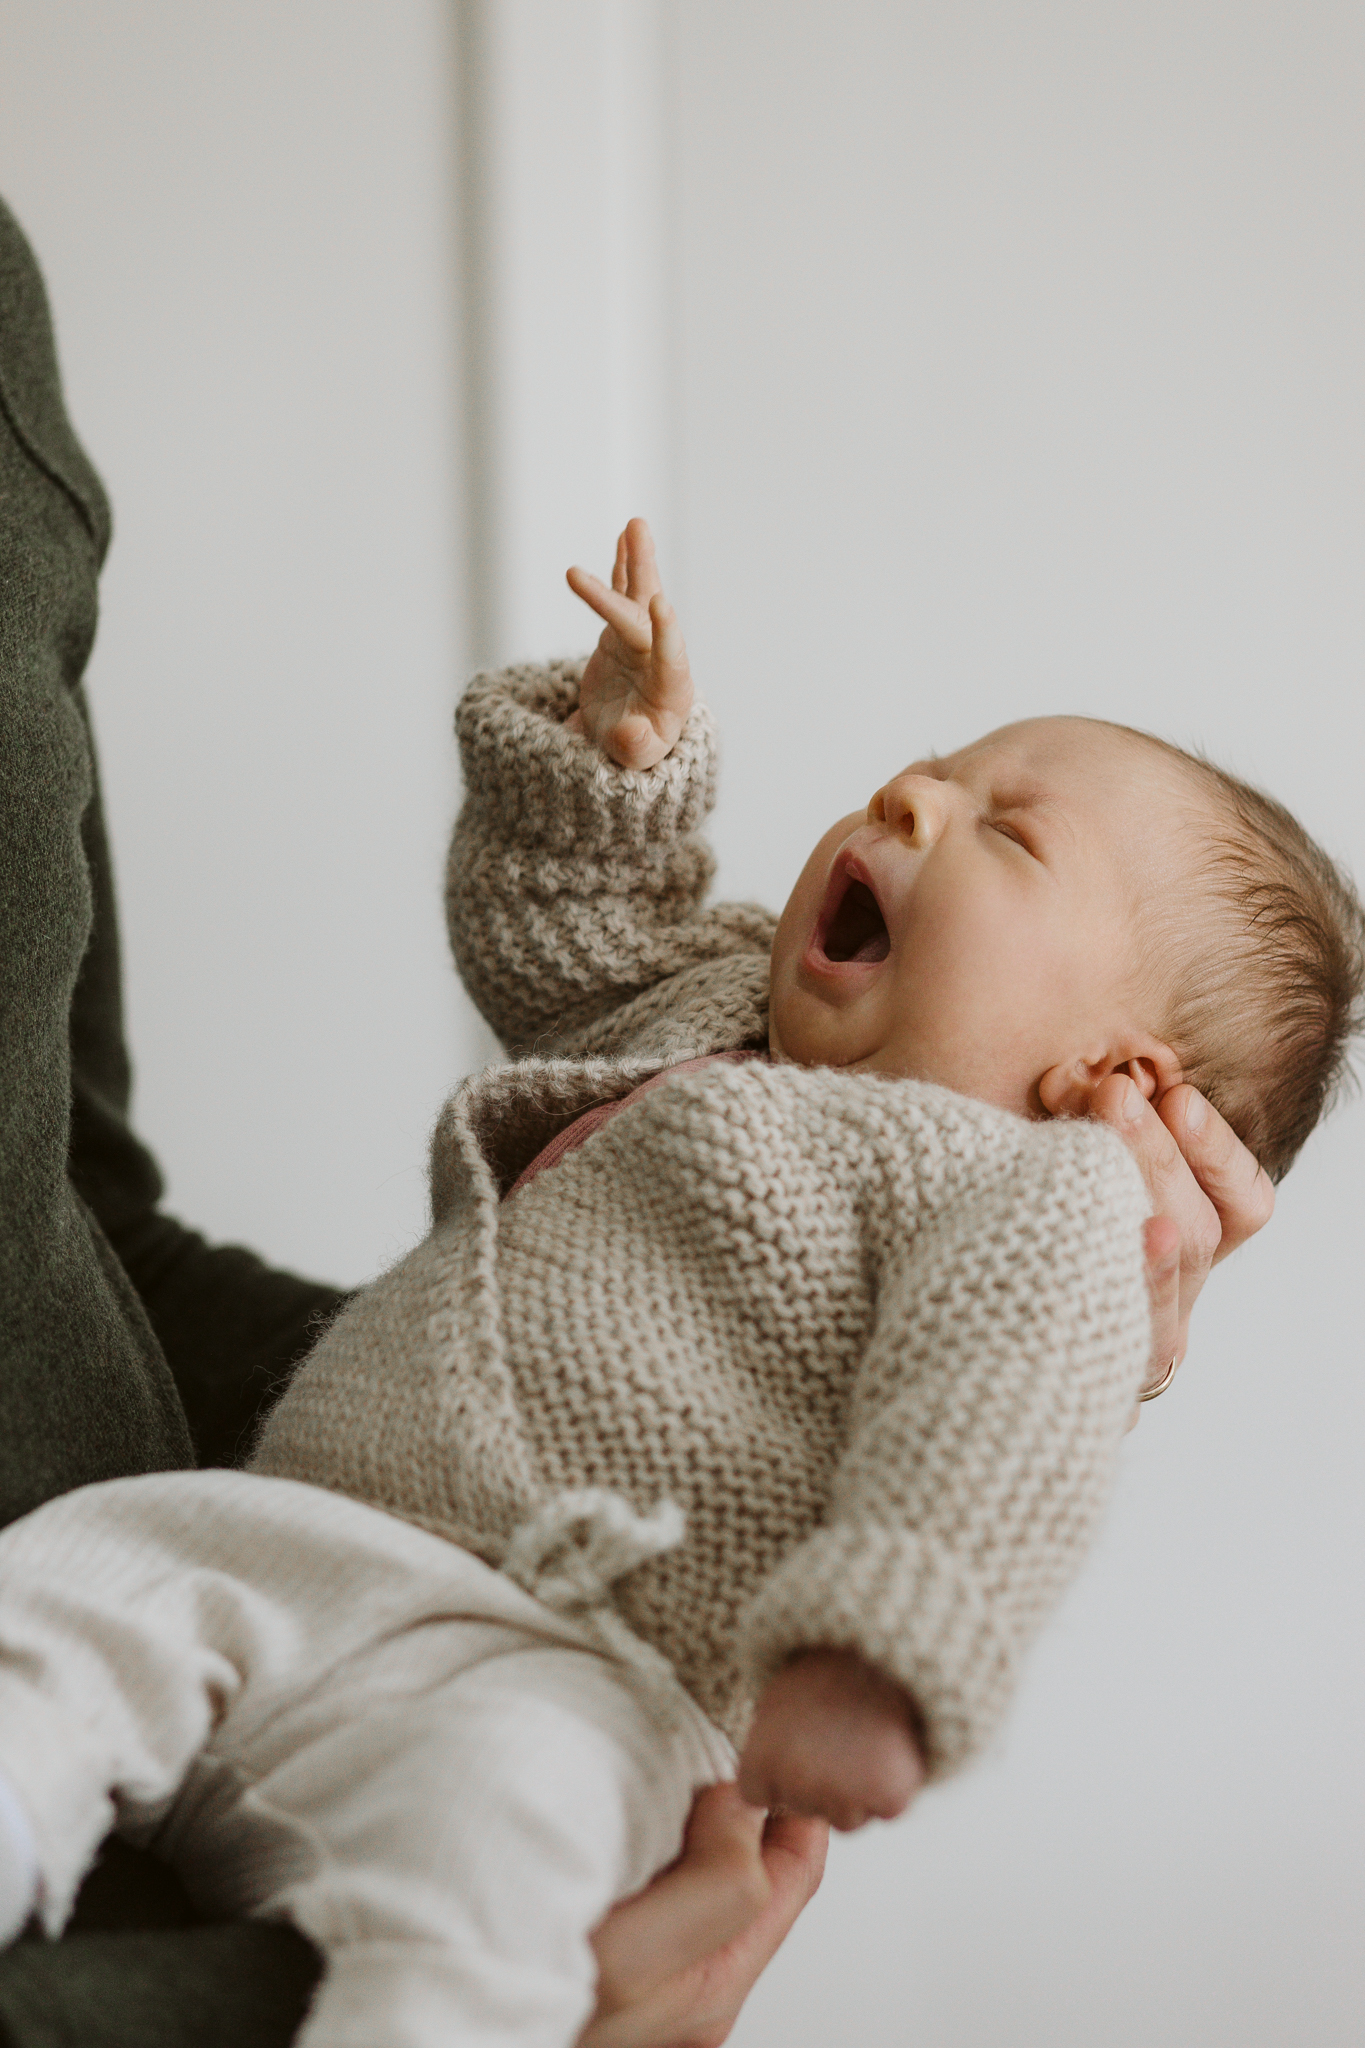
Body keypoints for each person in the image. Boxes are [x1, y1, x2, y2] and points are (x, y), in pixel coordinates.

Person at [0, 503, 1343, 2045]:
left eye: (1010, 831)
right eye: (933, 769)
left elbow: (994, 1426)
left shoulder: (1027, 1198)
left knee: (491, 1894)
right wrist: (608, 774)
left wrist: (875, 1662)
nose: (908, 794)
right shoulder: (711, 997)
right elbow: (563, 933)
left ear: (1113, 1076)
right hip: (296, 1540)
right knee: (75, 1589)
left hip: (575, 1676)